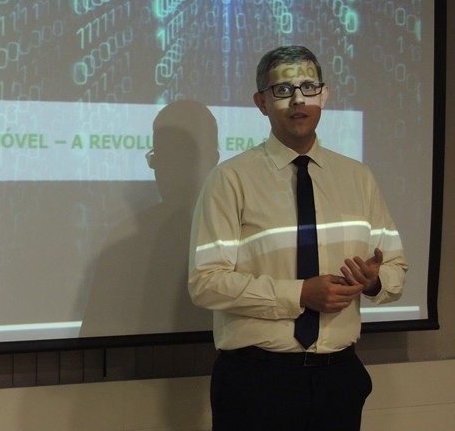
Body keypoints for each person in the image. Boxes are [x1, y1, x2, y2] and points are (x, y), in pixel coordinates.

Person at [188, 45, 407, 431]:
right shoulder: (230, 179)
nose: (298, 100)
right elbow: (205, 283)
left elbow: (395, 269)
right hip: (256, 381)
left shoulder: (359, 177)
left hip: (339, 377)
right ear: (261, 102)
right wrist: (300, 294)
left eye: (308, 87)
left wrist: (374, 281)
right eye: (283, 90)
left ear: (324, 95)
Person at [80, 100, 219, 337]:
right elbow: (94, 330)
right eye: (160, 157)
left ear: (212, 160)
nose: (165, 170)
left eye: (179, 156)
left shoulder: (238, 230)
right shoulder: (121, 241)